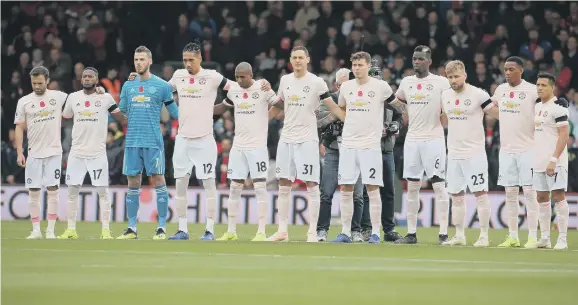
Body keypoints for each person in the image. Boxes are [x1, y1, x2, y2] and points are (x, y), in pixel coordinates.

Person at [164, 42, 269, 241]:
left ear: (200, 59)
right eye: (185, 60)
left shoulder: (212, 76)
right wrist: (140, 79)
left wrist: (261, 85)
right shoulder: (178, 76)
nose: (187, 64)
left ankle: (210, 229)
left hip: (204, 140)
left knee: (209, 184)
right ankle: (182, 229)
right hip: (183, 140)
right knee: (180, 185)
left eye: (191, 60)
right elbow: (161, 90)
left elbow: (237, 87)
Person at [268, 46, 345, 242]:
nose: (298, 61)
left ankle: (312, 231)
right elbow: (279, 105)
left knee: (312, 184)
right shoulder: (285, 80)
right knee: (284, 183)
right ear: (290, 60)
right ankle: (282, 231)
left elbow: (332, 107)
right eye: (294, 58)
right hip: (286, 138)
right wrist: (261, 122)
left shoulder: (317, 82)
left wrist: (348, 119)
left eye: (301, 57)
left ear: (308, 59)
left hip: (307, 139)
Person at [389, 46, 451, 245]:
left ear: (429, 61)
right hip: (413, 140)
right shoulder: (406, 82)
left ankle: (443, 234)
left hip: (434, 139)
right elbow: (398, 104)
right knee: (413, 186)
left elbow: (451, 103)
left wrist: (446, 117)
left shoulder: (441, 82)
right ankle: (411, 233)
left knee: (439, 185)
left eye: (421, 59)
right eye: (414, 59)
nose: (416, 62)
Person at [332, 51, 395, 244]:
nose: (357, 68)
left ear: (368, 65)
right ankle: (345, 232)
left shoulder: (381, 87)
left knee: (372, 188)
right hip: (349, 143)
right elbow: (341, 108)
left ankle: (375, 232)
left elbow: (396, 105)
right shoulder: (346, 87)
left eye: (360, 65)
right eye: (354, 65)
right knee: (346, 188)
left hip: (370, 145)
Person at [116, 46, 179, 240]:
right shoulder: (128, 86)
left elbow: (175, 114)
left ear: (150, 61)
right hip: (133, 141)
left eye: (142, 59)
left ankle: (161, 228)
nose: (139, 63)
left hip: (153, 141)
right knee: (133, 182)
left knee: (158, 180)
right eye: (136, 60)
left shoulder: (162, 86)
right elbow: (122, 114)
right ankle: (132, 228)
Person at [58, 67, 126, 240]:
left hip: (97, 153)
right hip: (77, 153)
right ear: (81, 80)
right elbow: (65, 116)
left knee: (103, 192)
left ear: (97, 80)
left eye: (90, 76)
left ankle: (105, 230)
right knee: (72, 191)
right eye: (84, 76)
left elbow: (121, 118)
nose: (87, 78)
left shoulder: (105, 98)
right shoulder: (73, 98)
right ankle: (71, 229)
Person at [212, 62, 278, 241]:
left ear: (251, 75)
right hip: (238, 146)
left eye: (243, 77)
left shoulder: (263, 87)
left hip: (257, 146)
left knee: (259, 187)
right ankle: (231, 231)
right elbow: (222, 107)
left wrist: (268, 115)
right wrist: (202, 111)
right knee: (234, 187)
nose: (239, 80)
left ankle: (261, 231)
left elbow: (279, 104)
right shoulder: (234, 90)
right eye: (237, 77)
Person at [439, 60, 497, 247]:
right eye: (450, 77)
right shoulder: (445, 95)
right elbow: (442, 118)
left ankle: (484, 236)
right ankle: (459, 235)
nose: (454, 80)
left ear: (465, 75)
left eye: (457, 76)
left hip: (475, 153)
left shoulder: (478, 94)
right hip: (454, 153)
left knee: (480, 194)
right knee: (456, 195)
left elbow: (498, 114)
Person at [490, 57, 540, 248]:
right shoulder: (501, 90)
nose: (507, 73)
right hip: (507, 150)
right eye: (505, 69)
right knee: (510, 194)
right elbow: (490, 108)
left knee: (529, 194)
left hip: (528, 149)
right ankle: (513, 236)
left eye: (511, 69)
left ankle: (533, 237)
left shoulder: (531, 90)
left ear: (521, 69)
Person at [14, 66, 68, 239]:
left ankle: (50, 230)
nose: (36, 86)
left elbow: (79, 100)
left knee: (53, 190)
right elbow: (19, 127)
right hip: (33, 153)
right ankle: (36, 229)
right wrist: (19, 152)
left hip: (53, 152)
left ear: (47, 81)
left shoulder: (59, 97)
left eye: (40, 83)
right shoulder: (24, 101)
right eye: (34, 83)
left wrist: (97, 91)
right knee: (33, 192)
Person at [316, 68, 368, 242]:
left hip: (355, 150)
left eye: (347, 83)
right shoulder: (328, 100)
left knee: (358, 194)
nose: (343, 87)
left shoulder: (360, 98)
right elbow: (319, 121)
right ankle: (322, 230)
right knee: (326, 192)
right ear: (336, 85)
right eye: (340, 84)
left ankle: (355, 231)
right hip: (333, 150)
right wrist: (336, 116)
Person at [533, 73, 570, 250]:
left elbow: (564, 135)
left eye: (544, 85)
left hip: (555, 161)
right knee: (541, 197)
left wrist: (553, 159)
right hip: (538, 160)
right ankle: (545, 238)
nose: (540, 88)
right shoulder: (537, 106)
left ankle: (562, 238)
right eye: (538, 85)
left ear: (552, 87)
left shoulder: (558, 107)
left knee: (558, 196)